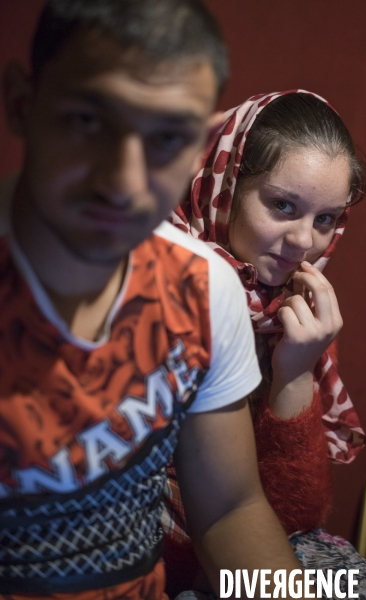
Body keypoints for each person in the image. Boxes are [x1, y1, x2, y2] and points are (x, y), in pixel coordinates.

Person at [0, 3, 309, 599]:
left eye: (167, 138)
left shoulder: (204, 288)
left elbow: (229, 508)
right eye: (88, 121)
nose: (124, 179)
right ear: (21, 103)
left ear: (200, 145)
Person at [168, 90, 366, 600]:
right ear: (224, 185)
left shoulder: (292, 313)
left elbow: (288, 517)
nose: (305, 241)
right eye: (283, 206)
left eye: (325, 219)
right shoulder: (157, 278)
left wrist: (296, 374)